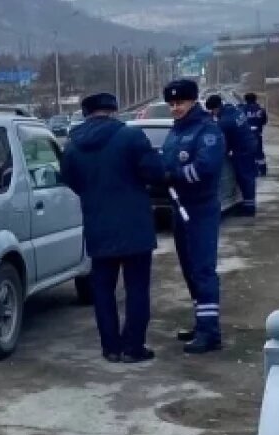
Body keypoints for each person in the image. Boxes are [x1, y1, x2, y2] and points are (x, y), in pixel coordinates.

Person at [62, 91, 170, 363]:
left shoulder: (73, 144)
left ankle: (110, 347)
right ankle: (133, 347)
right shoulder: (130, 137)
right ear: (113, 110)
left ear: (87, 113)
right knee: (136, 289)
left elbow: (70, 179)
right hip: (135, 225)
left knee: (103, 290)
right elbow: (156, 173)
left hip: (98, 224)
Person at [163, 80, 226, 353]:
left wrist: (174, 175)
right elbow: (168, 162)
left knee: (202, 268)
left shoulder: (207, 130)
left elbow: (206, 168)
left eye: (181, 103)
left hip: (201, 208)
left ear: (193, 102)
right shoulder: (176, 132)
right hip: (179, 208)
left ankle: (210, 332)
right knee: (189, 270)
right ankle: (201, 322)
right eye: (172, 104)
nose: (176, 108)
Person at [205, 94, 258, 217]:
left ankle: (249, 208)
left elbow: (223, 142)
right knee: (247, 176)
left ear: (216, 108)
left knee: (245, 177)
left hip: (243, 150)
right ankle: (247, 204)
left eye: (212, 111)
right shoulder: (234, 110)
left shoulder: (224, 122)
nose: (213, 114)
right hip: (249, 144)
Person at [242, 92, 269, 177]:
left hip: (246, 136)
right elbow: (264, 121)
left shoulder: (242, 110)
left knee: (247, 153)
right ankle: (262, 170)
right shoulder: (261, 110)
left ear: (245, 100)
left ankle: (251, 170)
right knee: (259, 153)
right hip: (258, 134)